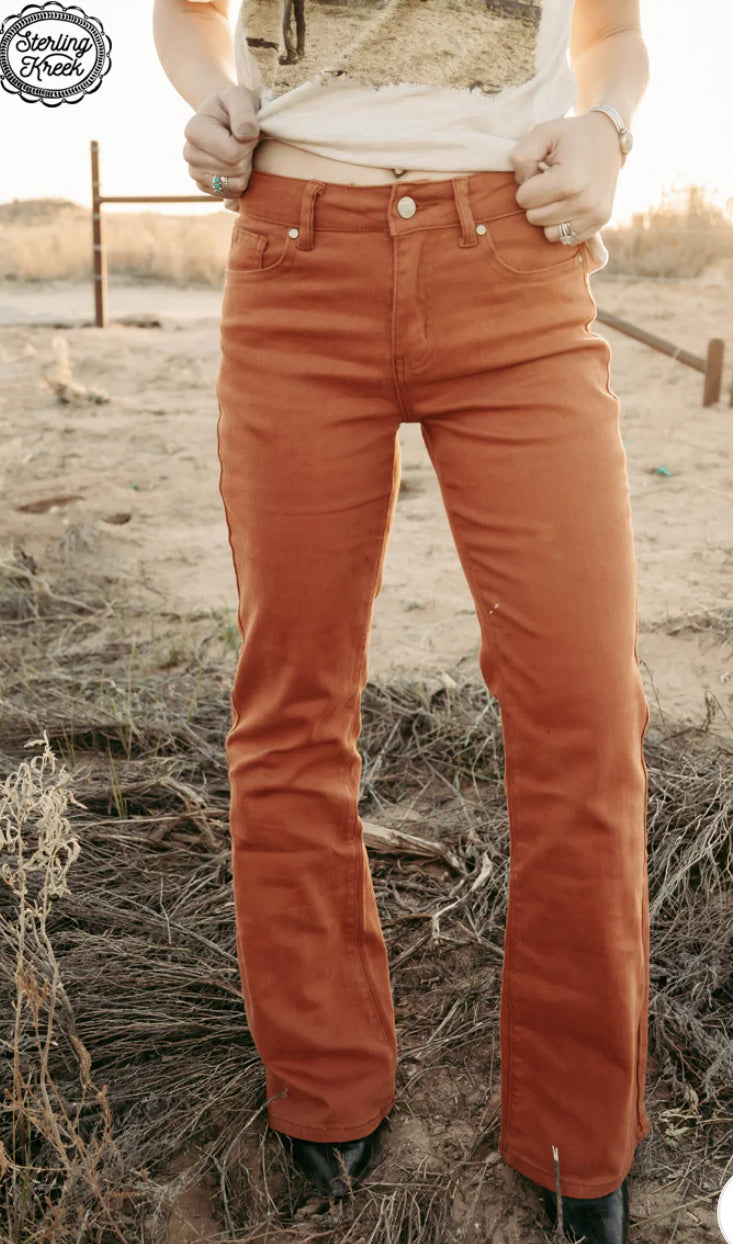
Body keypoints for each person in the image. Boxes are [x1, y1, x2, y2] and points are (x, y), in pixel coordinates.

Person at [153, 2, 651, 1239]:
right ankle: (323, 1082)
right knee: (290, 705)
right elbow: (185, 13)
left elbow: (613, 34)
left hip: (517, 263)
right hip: (293, 259)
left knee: (585, 717)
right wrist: (210, 98)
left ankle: (578, 1132)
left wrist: (604, 126)